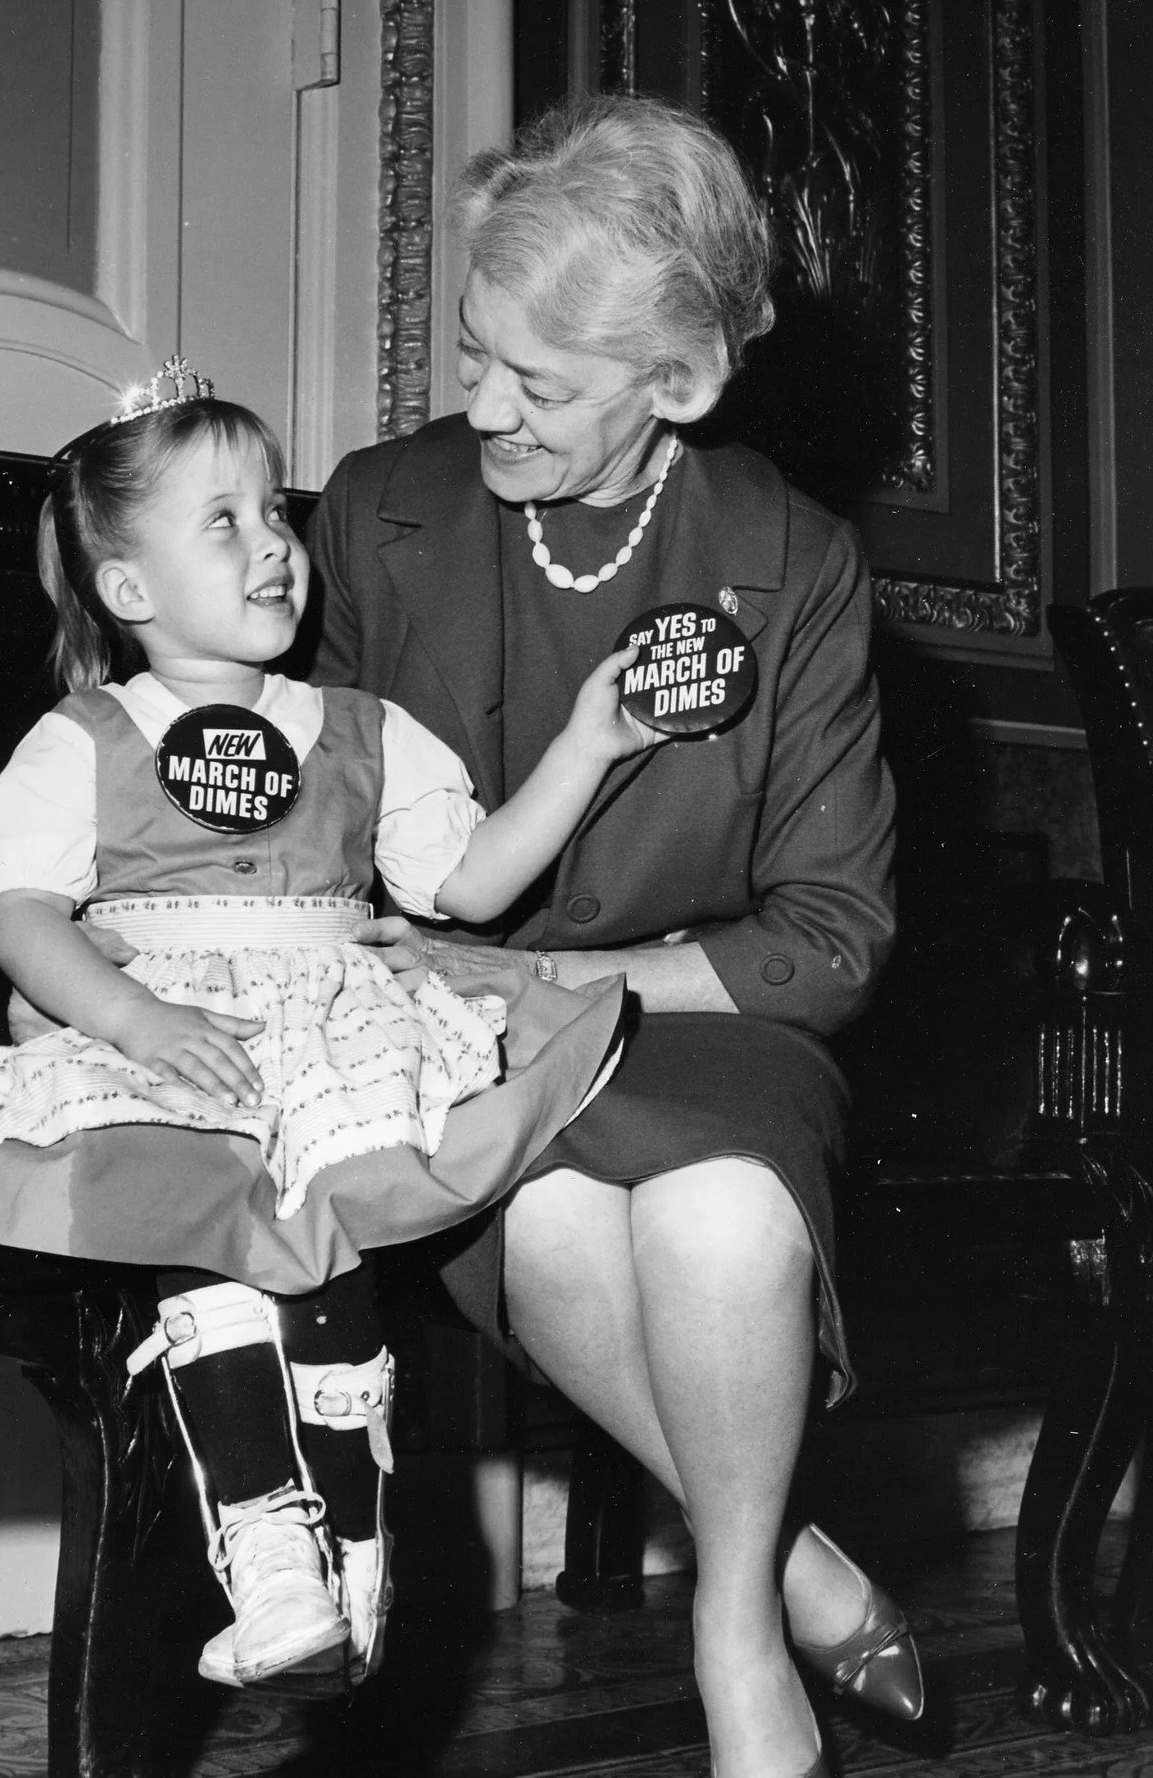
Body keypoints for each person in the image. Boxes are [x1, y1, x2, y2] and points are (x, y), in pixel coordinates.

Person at [0, 364, 629, 1696]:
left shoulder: (364, 730)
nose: (272, 543)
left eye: (273, 512)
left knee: (331, 1227)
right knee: (196, 1203)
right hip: (168, 1028)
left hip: (335, 1026)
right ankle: (270, 1540)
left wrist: (588, 741)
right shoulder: (89, 737)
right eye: (219, 522)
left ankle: (353, 1535)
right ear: (129, 590)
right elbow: (22, 917)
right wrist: (136, 1018)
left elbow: (469, 885)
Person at [308, 94, 911, 1778]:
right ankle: (780, 1568)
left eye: (544, 386)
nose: (485, 408)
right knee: (570, 1227)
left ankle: (730, 1631)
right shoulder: (379, 513)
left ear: (681, 383)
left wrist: (560, 974)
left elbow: (834, 933)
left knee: (723, 1219)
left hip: (709, 1028)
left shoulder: (790, 562)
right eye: (475, 355)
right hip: (466, 1045)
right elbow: (312, 842)